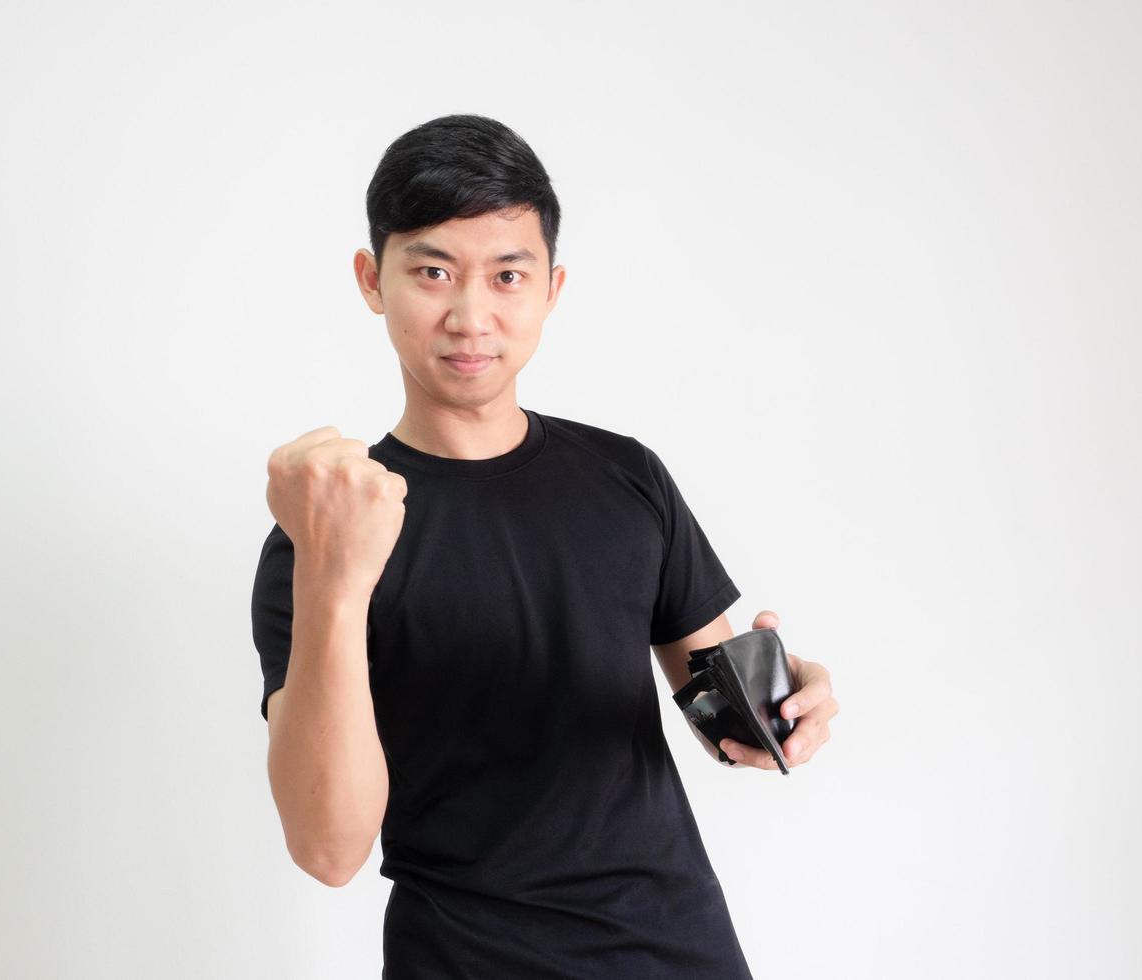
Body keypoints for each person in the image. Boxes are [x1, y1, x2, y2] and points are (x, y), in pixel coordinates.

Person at [252, 113, 838, 979]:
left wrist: (788, 704)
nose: (471, 314)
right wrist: (337, 578)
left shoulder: (625, 476)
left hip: (674, 950)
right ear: (373, 280)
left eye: (507, 275)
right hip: (464, 958)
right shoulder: (325, 526)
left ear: (551, 288)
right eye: (434, 271)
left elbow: (720, 709)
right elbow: (329, 849)